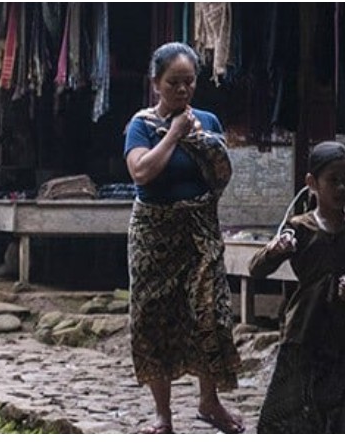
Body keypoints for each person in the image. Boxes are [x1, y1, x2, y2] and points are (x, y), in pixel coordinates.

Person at [123, 42, 243, 434]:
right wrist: (173, 135)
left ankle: (210, 401)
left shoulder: (207, 121)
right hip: (153, 235)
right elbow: (141, 173)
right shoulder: (141, 125)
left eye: (189, 82)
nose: (183, 90)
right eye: (174, 82)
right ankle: (163, 415)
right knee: (153, 318)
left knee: (210, 314)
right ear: (156, 83)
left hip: (199, 233)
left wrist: (201, 140)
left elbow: (221, 174)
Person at [248, 141, 345, 433]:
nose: (341, 189)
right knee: (296, 414)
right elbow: (256, 269)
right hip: (303, 334)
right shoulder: (299, 228)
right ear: (312, 183)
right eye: (332, 181)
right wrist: (275, 250)